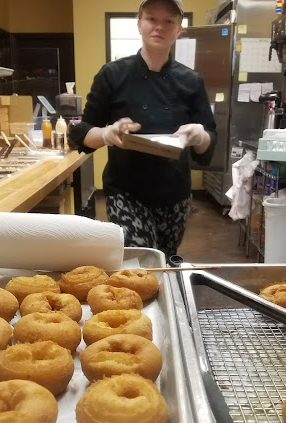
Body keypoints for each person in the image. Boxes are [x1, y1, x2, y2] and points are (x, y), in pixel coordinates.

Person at [69, 0, 216, 258]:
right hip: (126, 191)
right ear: (139, 24)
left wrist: (200, 135)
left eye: (168, 21)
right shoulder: (113, 74)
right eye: (151, 19)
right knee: (141, 260)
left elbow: (208, 146)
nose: (159, 27)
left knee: (166, 259)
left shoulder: (191, 81)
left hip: (175, 194)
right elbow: (80, 133)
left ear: (179, 30)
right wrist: (106, 134)